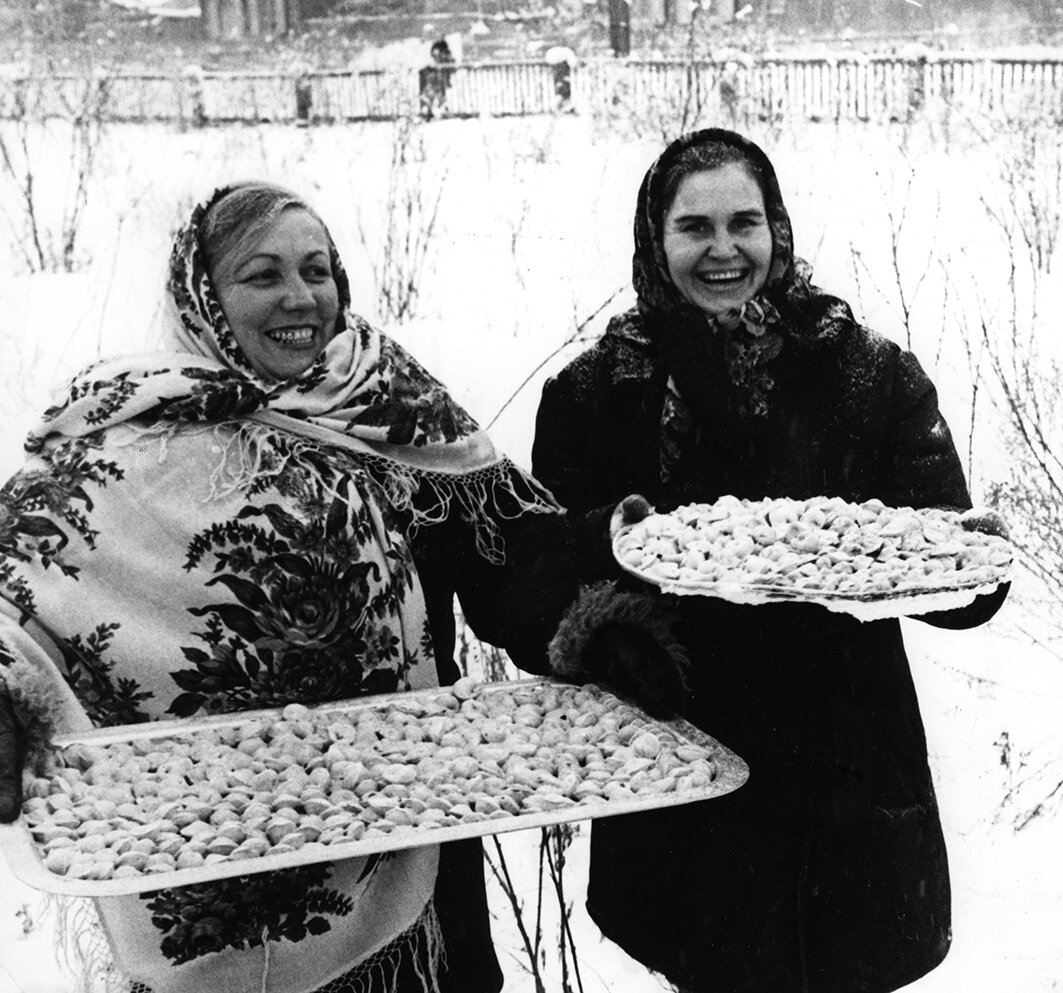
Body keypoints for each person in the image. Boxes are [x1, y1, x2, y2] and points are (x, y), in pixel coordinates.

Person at [0, 182, 607, 993]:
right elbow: (14, 590)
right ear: (203, 296)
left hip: (406, 834)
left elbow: (513, 563)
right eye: (263, 275)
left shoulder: (390, 408)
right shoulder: (126, 437)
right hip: (204, 845)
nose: (300, 297)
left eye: (316, 270)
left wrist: (595, 626)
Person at [531, 129, 1010, 993]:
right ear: (655, 240)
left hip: (843, 762)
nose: (723, 250)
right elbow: (545, 567)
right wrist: (605, 629)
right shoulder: (597, 393)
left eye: (743, 223)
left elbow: (954, 575)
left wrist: (956, 558)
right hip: (681, 752)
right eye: (694, 227)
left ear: (776, 229)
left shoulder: (865, 373)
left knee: (837, 960)